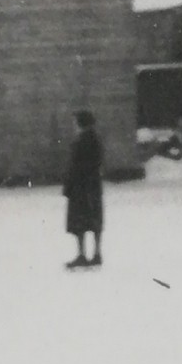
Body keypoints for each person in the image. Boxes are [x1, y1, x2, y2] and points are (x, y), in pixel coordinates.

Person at [63, 109, 104, 269]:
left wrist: (69, 186)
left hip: (80, 188)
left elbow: (75, 166)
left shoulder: (81, 141)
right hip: (93, 186)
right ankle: (97, 253)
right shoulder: (95, 140)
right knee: (94, 221)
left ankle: (81, 254)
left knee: (79, 222)